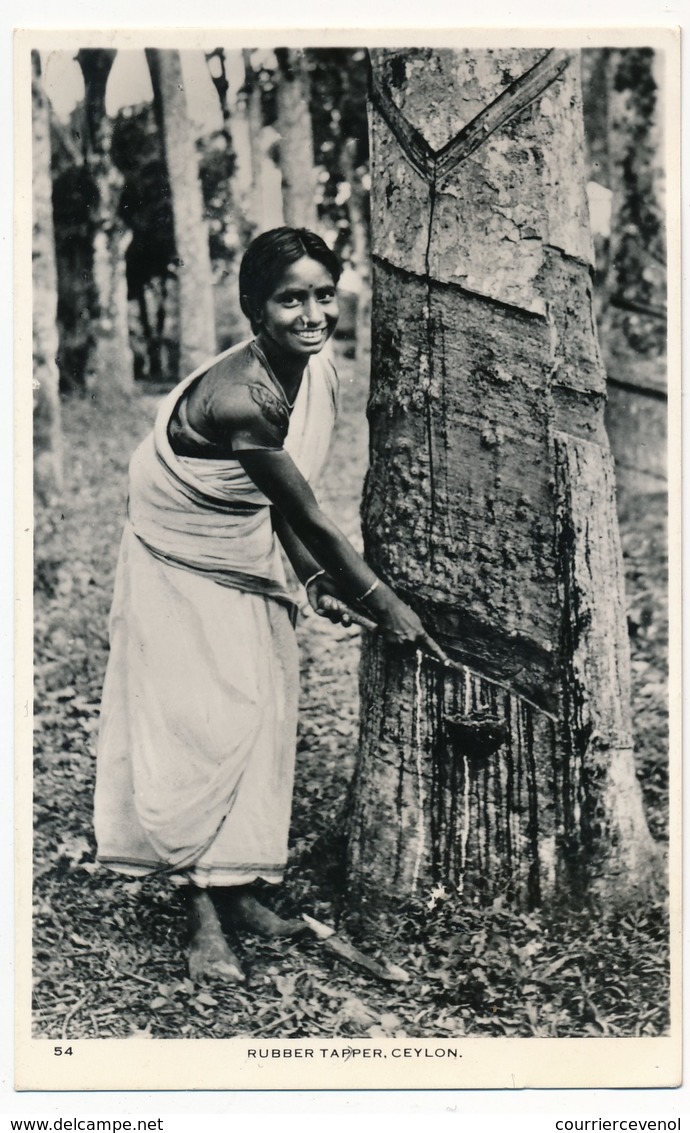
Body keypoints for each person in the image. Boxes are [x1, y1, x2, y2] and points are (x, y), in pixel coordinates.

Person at [95, 227, 448, 983]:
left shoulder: (309, 373)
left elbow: (274, 501)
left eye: (324, 295)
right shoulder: (244, 395)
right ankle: (199, 914)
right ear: (256, 307)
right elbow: (309, 510)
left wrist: (313, 579)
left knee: (261, 706)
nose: (313, 313)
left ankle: (240, 888)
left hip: (240, 544)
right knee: (200, 716)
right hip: (179, 553)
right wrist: (381, 600)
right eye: (292, 298)